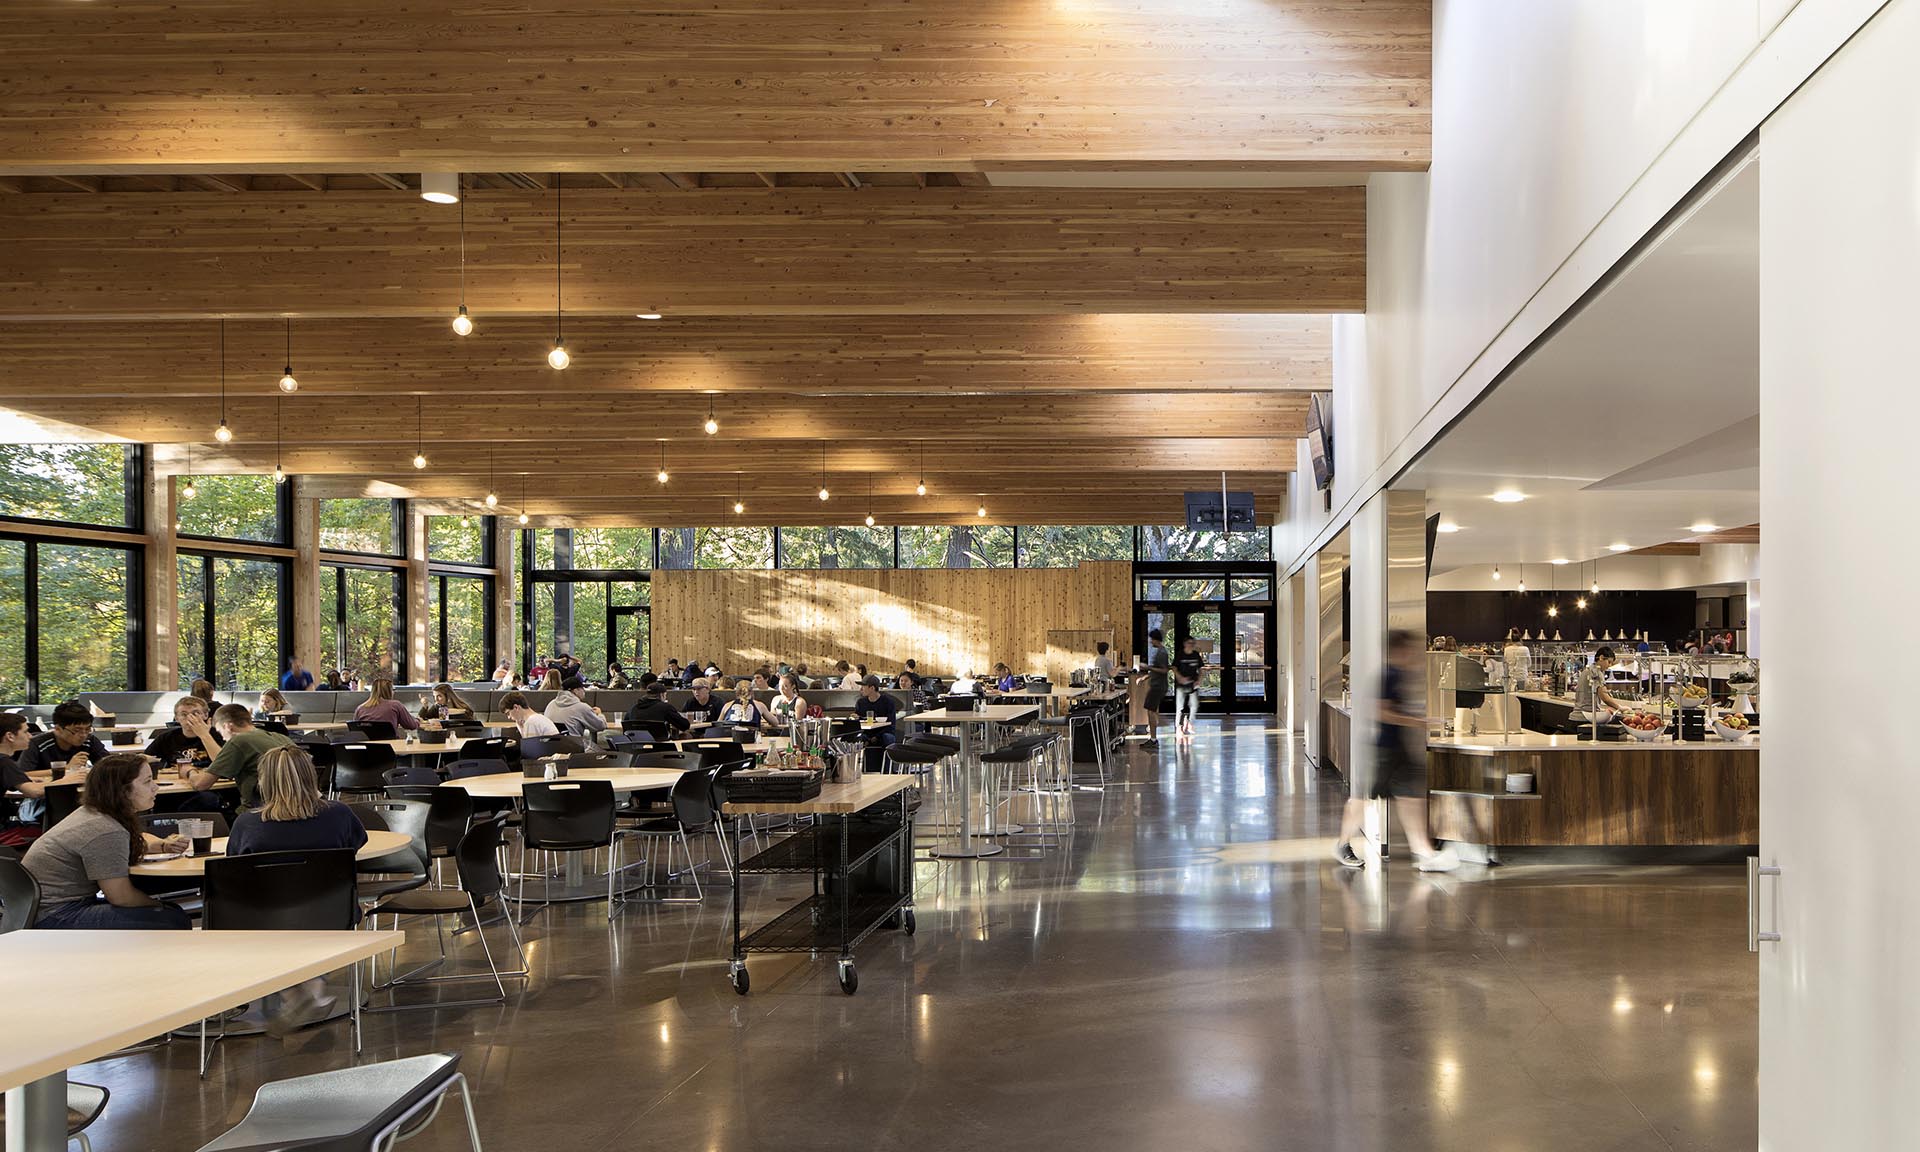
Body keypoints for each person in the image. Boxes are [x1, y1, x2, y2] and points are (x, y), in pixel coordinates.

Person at [226, 745, 366, 1034]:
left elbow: (234, 870)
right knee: (304, 919)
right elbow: (354, 847)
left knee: (275, 919)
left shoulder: (246, 824)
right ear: (310, 777)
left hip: (265, 919)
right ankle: (310, 987)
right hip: (332, 913)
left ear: (264, 780)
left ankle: (297, 991)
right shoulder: (339, 814)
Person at [1333, 630, 1458, 872]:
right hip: (1385, 750)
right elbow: (1382, 713)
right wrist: (1420, 722)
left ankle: (1423, 851)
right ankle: (1343, 843)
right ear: (1400, 650)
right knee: (1364, 798)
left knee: (1412, 798)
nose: (1414, 654)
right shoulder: (1389, 676)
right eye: (1410, 649)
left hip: (1398, 749)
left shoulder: (1400, 675)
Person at [21, 753, 193, 929]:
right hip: (55, 915)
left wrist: (162, 845)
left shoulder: (93, 813)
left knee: (166, 911)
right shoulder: (105, 829)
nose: (155, 787)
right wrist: (157, 904)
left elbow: (127, 844)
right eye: (147, 781)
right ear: (123, 790)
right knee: (173, 918)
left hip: (36, 909)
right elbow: (121, 897)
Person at [177, 705, 293, 809]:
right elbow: (222, 762)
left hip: (259, 810)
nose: (222, 738)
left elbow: (200, 784)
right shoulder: (281, 738)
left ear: (228, 727)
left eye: (220, 731)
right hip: (295, 806)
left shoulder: (239, 740)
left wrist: (190, 771)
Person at [20, 700, 109, 777]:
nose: (83, 735)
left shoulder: (90, 740)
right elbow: (22, 774)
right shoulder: (37, 744)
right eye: (77, 730)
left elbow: (109, 765)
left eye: (87, 729)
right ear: (58, 729)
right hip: (45, 792)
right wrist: (65, 769)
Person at [0, 713, 49, 845]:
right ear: (10, 736)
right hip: (3, 832)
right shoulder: (4, 762)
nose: (30, 736)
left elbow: (10, 778)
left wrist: (29, 778)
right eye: (26, 732)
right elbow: (34, 792)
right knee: (49, 833)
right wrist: (68, 779)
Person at [144, 696, 224, 769]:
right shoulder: (166, 738)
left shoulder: (219, 734)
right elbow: (145, 758)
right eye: (184, 714)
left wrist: (205, 736)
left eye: (195, 713)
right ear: (176, 718)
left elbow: (223, 764)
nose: (189, 718)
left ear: (206, 715)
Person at [851, 675, 900, 771]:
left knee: (888, 738)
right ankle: (858, 770)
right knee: (856, 738)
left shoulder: (888, 702)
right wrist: (856, 718)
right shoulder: (861, 702)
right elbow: (858, 723)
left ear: (872, 688)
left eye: (864, 686)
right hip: (866, 733)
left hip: (883, 733)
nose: (861, 689)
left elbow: (891, 724)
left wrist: (876, 737)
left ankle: (887, 771)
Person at [1575, 646, 1629, 718]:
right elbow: (1604, 697)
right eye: (1609, 662)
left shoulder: (1587, 670)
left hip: (1578, 714)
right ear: (1601, 658)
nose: (1609, 665)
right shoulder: (1596, 672)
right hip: (1586, 716)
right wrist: (1620, 707)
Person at [352, 678, 420, 733]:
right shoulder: (395, 705)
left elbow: (355, 731)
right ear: (389, 691)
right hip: (390, 747)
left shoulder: (360, 708)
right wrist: (417, 720)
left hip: (367, 748)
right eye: (393, 690)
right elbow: (412, 725)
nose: (393, 692)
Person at [622, 682, 690, 735]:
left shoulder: (633, 708)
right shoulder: (665, 707)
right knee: (686, 736)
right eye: (665, 695)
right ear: (662, 695)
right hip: (661, 746)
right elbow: (684, 725)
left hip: (637, 747)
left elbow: (626, 725)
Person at [1142, 628, 1171, 747]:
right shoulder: (1160, 651)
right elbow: (1157, 670)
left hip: (1157, 686)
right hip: (1157, 685)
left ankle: (1153, 739)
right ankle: (1153, 737)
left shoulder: (1162, 653)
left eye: (1151, 640)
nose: (1150, 642)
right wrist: (1146, 677)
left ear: (1155, 639)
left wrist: (1148, 667)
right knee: (1152, 710)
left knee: (1151, 711)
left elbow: (1164, 670)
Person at [1173, 637, 1204, 736]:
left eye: (1192, 643)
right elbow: (1174, 667)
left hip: (1193, 683)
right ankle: (1179, 726)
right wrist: (1179, 677)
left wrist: (1199, 680)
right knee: (1180, 707)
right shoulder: (1180, 655)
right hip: (1181, 684)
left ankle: (1189, 723)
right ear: (1185, 644)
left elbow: (1201, 668)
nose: (1191, 645)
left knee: (1194, 705)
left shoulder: (1195, 655)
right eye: (1189, 643)